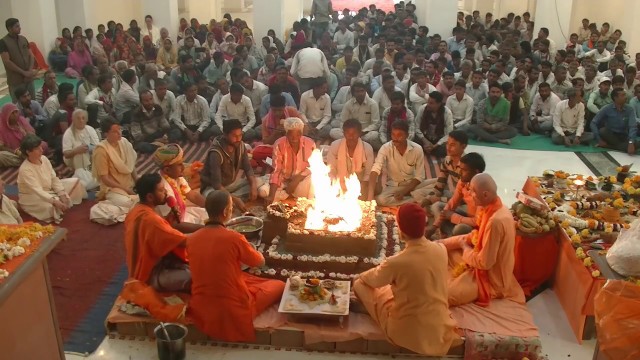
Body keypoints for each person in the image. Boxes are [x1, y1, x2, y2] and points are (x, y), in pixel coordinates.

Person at [353, 203, 459, 356]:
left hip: (405, 334)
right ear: (424, 226)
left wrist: (362, 273)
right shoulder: (441, 250)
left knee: (359, 285)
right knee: (395, 287)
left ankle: (372, 311)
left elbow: (369, 280)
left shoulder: (396, 262)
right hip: (440, 330)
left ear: (401, 231)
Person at [188, 190, 285, 342]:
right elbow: (260, 262)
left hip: (202, 308)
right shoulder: (234, 238)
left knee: (244, 277)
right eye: (231, 208)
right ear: (226, 211)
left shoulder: (192, 239)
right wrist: (250, 249)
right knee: (279, 285)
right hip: (234, 309)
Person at [441, 173, 525, 306]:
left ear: (485, 195)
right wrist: (440, 244)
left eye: (472, 191)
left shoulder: (495, 221)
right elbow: (473, 237)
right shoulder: (491, 208)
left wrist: (464, 248)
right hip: (478, 259)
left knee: (444, 296)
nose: (469, 193)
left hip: (491, 279)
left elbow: (484, 263)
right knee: (442, 252)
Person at [124, 174, 191, 292]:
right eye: (161, 190)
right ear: (150, 197)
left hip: (153, 265)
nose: (166, 192)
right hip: (148, 276)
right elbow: (184, 242)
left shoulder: (136, 210)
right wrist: (210, 232)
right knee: (198, 276)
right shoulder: (151, 220)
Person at [17, 134, 86, 223]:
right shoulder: (25, 169)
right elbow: (38, 190)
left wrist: (62, 194)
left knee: (76, 182)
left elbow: (54, 178)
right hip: (33, 197)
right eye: (37, 148)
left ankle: (61, 201)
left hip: (49, 190)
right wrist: (55, 201)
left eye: (41, 147)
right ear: (28, 152)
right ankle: (57, 204)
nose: (41, 150)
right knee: (50, 207)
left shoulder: (44, 159)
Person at [201, 119, 261, 213]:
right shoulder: (216, 153)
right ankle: (233, 199)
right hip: (213, 189)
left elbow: (248, 169)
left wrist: (253, 186)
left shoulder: (241, 145)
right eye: (234, 136)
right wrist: (234, 199)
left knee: (257, 183)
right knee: (218, 201)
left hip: (230, 185)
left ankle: (232, 199)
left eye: (240, 135)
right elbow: (217, 185)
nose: (238, 139)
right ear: (225, 135)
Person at [367, 120, 432, 207]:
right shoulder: (385, 148)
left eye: (399, 135)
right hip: (394, 186)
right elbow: (375, 169)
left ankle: (414, 197)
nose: (395, 138)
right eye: (393, 134)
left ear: (407, 136)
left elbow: (419, 177)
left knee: (436, 183)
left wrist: (404, 191)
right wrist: (370, 196)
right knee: (380, 199)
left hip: (413, 184)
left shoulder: (417, 149)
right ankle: (416, 200)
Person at [90, 120, 138, 225]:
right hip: (112, 189)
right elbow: (105, 179)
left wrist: (138, 182)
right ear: (106, 134)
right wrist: (127, 190)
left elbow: (131, 165)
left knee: (150, 184)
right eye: (115, 132)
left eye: (120, 130)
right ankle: (106, 206)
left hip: (129, 184)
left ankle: (130, 205)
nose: (119, 133)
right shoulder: (101, 150)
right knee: (128, 202)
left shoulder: (124, 142)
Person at [262, 117, 316, 204]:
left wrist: (297, 179)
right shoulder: (279, 144)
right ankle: (287, 194)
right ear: (286, 134)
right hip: (284, 180)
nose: (295, 139)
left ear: (301, 133)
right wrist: (271, 195)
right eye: (291, 135)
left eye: (298, 135)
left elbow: (313, 166)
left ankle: (287, 194)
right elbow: (277, 171)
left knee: (313, 185)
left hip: (302, 180)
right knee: (263, 192)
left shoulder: (310, 144)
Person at [432, 152, 485, 238]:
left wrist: (453, 216)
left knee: (460, 228)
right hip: (467, 217)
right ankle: (449, 235)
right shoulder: (463, 182)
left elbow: (476, 222)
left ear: (476, 172)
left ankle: (450, 238)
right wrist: (434, 226)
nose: (460, 172)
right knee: (437, 206)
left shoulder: (482, 190)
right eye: (460, 168)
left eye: (464, 170)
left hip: (478, 226)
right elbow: (452, 203)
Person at [153, 144, 207, 224]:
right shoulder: (163, 190)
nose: (183, 167)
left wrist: (211, 206)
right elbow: (172, 223)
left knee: (206, 213)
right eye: (179, 164)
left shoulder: (175, 176)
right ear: (167, 170)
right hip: (171, 222)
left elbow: (193, 195)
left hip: (181, 214)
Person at [327, 119, 375, 197]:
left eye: (354, 133)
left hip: (359, 187)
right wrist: (335, 185)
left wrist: (361, 188)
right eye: (348, 133)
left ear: (359, 133)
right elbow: (331, 170)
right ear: (343, 133)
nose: (351, 137)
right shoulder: (335, 145)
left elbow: (368, 174)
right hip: (338, 184)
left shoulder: (367, 148)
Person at [330, 82, 382, 151]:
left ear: (365, 91)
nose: (360, 93)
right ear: (353, 93)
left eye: (362, 91)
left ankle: (352, 142)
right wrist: (348, 133)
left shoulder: (372, 104)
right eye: (357, 91)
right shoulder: (348, 104)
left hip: (364, 133)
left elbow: (376, 123)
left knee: (374, 135)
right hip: (351, 132)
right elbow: (343, 121)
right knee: (333, 132)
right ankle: (359, 143)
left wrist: (363, 132)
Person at [591, 88, 637, 154]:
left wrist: (631, 142)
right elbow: (593, 123)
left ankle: (608, 146)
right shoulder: (607, 108)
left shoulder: (630, 109)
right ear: (615, 98)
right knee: (603, 131)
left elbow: (633, 126)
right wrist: (598, 139)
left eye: (625, 95)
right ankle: (623, 147)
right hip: (611, 135)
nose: (626, 97)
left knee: (637, 144)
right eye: (623, 95)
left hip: (623, 136)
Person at [62, 109, 100, 189]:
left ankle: (87, 177)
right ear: (73, 119)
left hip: (90, 157)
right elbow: (66, 154)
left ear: (86, 119)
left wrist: (88, 148)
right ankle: (82, 176)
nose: (81, 120)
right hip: (73, 159)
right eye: (78, 118)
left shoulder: (90, 129)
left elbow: (97, 147)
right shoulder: (68, 133)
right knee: (80, 153)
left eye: (83, 118)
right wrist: (77, 150)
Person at [0, 18, 36, 101]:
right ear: (9, 28)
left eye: (19, 26)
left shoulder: (23, 39)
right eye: (17, 26)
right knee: (18, 105)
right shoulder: (3, 42)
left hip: (29, 78)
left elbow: (31, 55)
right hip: (16, 80)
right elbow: (7, 61)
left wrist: (29, 71)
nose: (20, 28)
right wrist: (24, 73)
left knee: (32, 101)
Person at [415, 91, 454, 158]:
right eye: (428, 102)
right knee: (414, 143)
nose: (428, 105)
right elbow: (416, 127)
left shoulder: (447, 113)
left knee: (445, 149)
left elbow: (448, 134)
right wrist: (425, 141)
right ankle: (427, 149)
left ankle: (428, 150)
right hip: (425, 138)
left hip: (439, 140)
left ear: (439, 104)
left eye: (431, 103)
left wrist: (434, 146)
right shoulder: (422, 109)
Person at [0, 103, 37, 168]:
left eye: (16, 112)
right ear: (6, 115)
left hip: (28, 148)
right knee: (1, 156)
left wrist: (26, 148)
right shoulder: (1, 127)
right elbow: (2, 147)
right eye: (12, 113)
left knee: (42, 145)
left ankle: (29, 159)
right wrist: (17, 152)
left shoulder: (21, 120)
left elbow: (32, 136)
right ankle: (29, 160)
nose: (15, 115)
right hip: (14, 153)